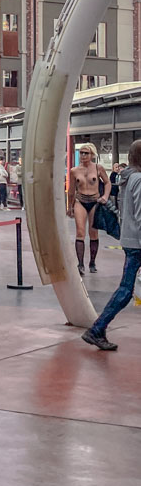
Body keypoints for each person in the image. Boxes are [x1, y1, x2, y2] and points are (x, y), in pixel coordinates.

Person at [81, 139, 141, 350]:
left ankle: (98, 329)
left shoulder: (127, 179)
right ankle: (97, 328)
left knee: (126, 289)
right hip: (138, 242)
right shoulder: (139, 180)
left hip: (130, 239)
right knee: (125, 290)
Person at [67, 142, 110, 275]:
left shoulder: (98, 168)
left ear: (92, 155)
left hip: (94, 201)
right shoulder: (74, 170)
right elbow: (71, 190)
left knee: (93, 232)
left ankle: (92, 261)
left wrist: (105, 196)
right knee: (80, 232)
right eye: (82, 153)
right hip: (80, 201)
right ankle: (80, 264)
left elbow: (107, 182)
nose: (83, 155)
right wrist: (70, 206)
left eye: (86, 153)